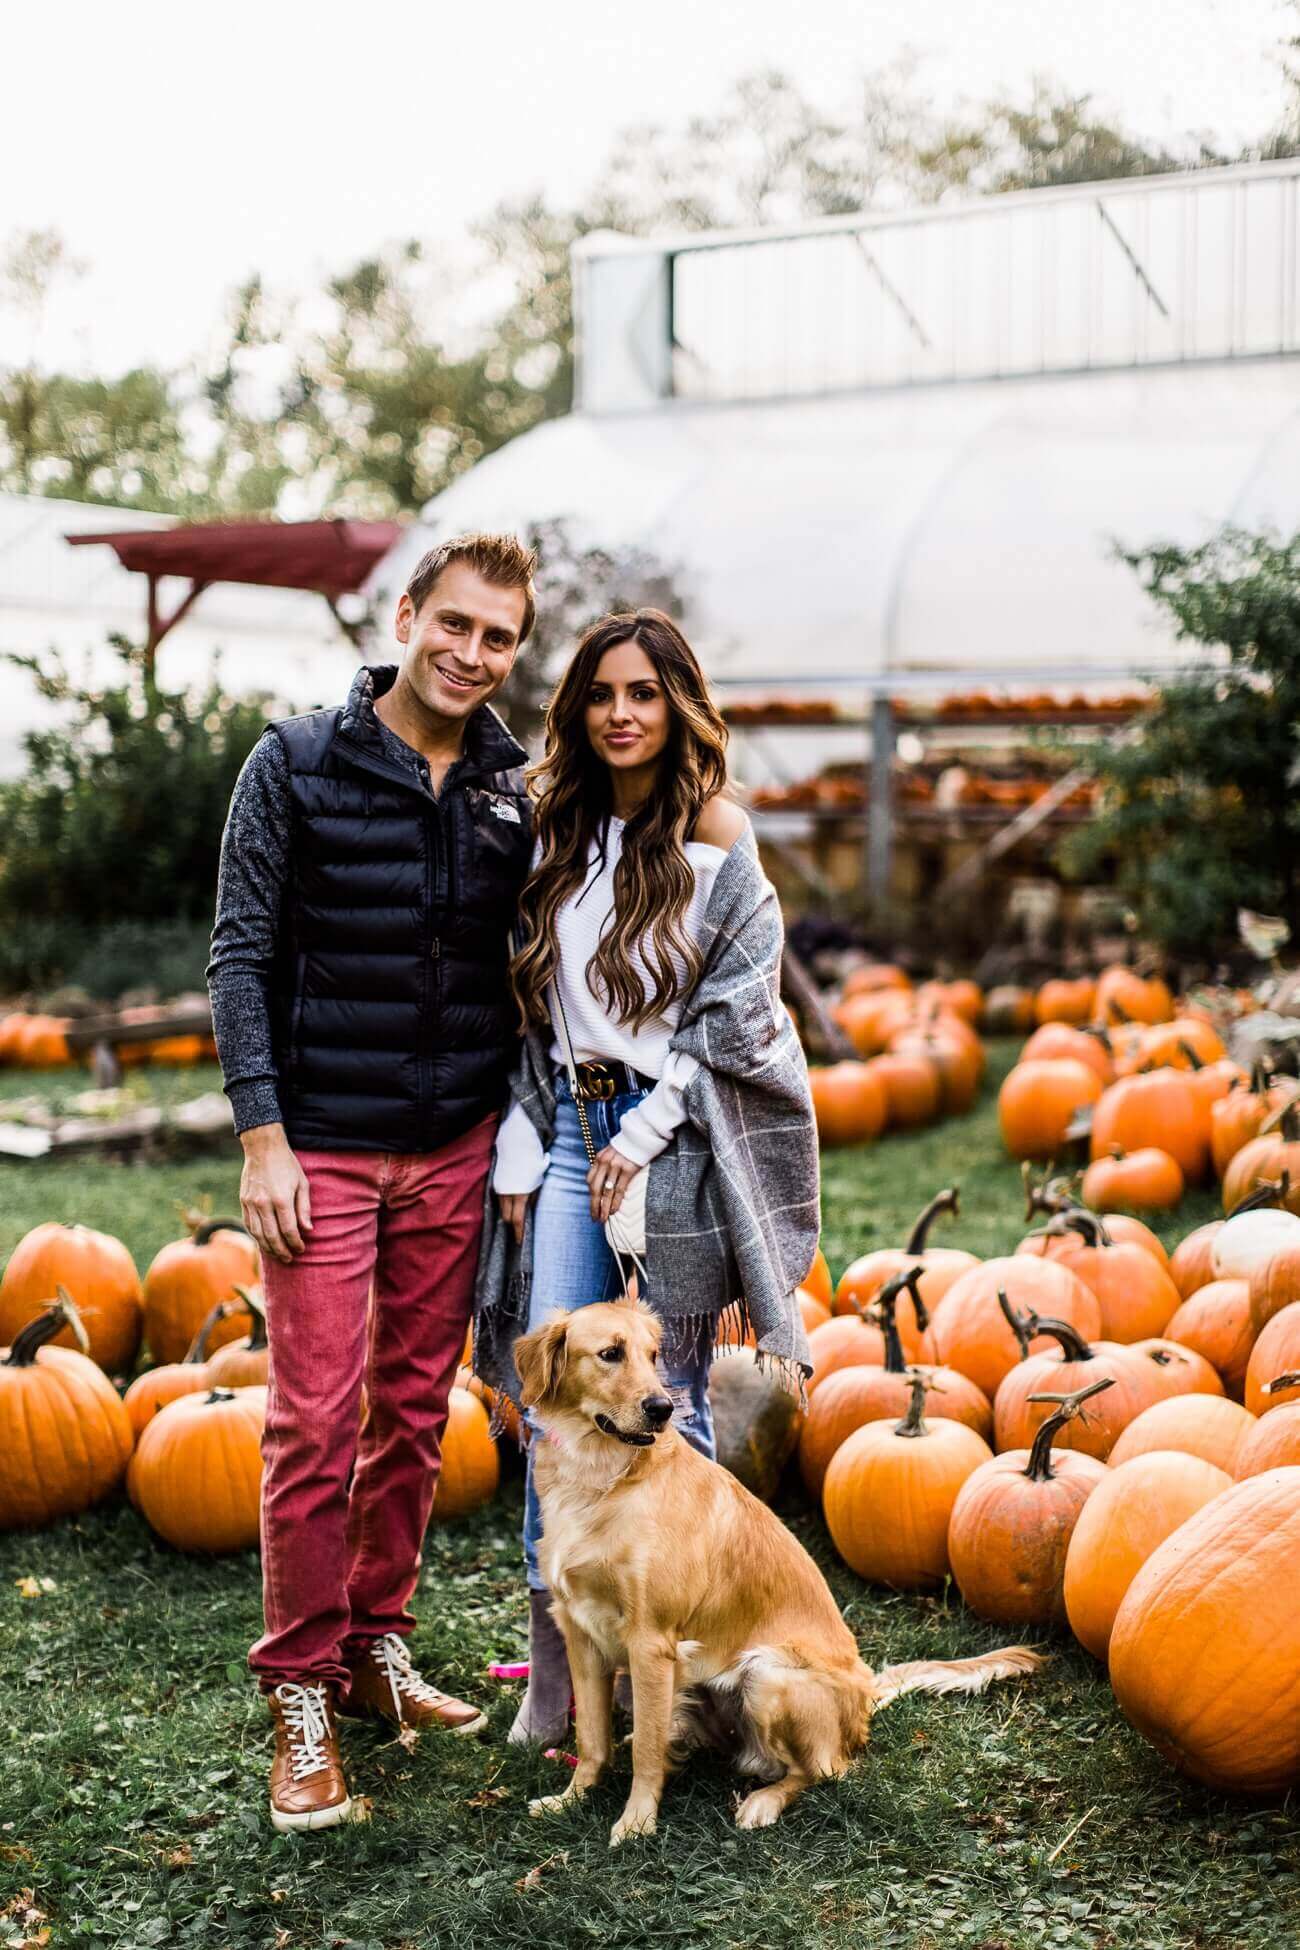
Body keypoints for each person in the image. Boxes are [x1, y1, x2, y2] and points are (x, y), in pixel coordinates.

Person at [208, 532, 537, 1832]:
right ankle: (299, 1685)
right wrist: (261, 1134)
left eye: (496, 636)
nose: (468, 652)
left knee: (414, 1410)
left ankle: (375, 1640)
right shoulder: (295, 760)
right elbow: (238, 953)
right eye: (450, 623)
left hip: (455, 1137)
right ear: (405, 615)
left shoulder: (515, 784)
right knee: (312, 1418)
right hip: (324, 1144)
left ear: (515, 649)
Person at [475, 608, 820, 1747]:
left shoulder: (719, 829)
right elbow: (527, 998)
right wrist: (535, 1138)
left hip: (675, 1136)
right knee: (555, 1399)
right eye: (602, 694)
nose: (622, 714)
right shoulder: (553, 823)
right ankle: (558, 1685)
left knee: (665, 1397)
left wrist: (646, 1131)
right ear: (576, 708)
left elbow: (736, 1007)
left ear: (677, 706)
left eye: (645, 694)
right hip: (570, 1127)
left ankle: (688, 1678)